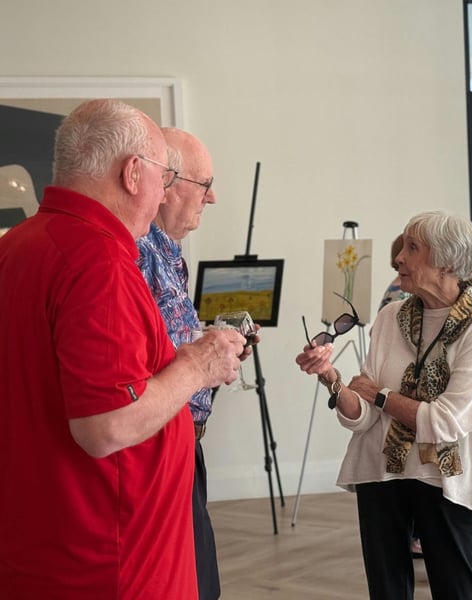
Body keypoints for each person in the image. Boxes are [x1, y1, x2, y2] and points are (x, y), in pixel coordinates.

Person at [0, 99, 247, 599]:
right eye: (164, 176)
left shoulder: (17, 246)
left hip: (42, 540)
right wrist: (197, 364)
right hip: (110, 558)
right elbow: (106, 425)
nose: (164, 193)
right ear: (133, 173)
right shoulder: (98, 262)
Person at [296, 211, 472, 599]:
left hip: (447, 477)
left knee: (458, 591)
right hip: (380, 471)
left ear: (447, 262)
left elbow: (447, 421)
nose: (398, 258)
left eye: (412, 248)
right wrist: (331, 377)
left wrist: (380, 395)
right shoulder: (391, 316)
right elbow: (363, 419)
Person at [137, 128, 254, 600]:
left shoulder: (169, 251)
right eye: (205, 184)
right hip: (156, 445)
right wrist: (206, 351)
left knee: (200, 577)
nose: (213, 197)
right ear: (166, 183)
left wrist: (215, 345)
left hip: (184, 438)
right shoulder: (137, 251)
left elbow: (165, 338)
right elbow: (140, 354)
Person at [379, 235, 472, 573]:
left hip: (411, 403)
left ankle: (420, 536)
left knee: (422, 467)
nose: (402, 259)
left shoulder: (394, 291)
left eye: (411, 251)